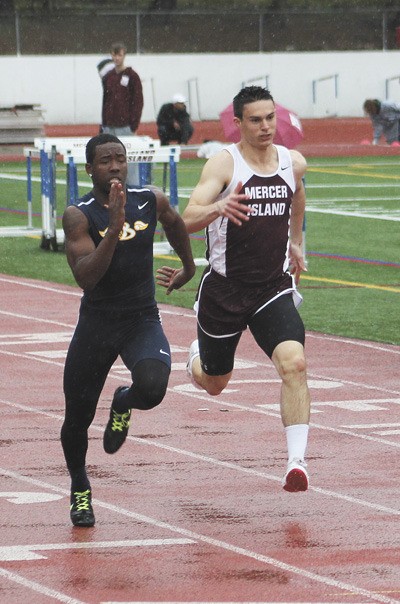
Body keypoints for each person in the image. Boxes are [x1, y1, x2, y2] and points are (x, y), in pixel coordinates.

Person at [61, 133, 196, 528]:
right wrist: (115, 227)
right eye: (105, 161)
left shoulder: (149, 199)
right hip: (98, 324)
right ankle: (80, 487)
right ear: (90, 169)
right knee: (77, 419)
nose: (115, 166)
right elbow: (86, 277)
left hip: (141, 318)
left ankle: (123, 400)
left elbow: (174, 222)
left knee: (153, 389)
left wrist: (188, 268)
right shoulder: (79, 215)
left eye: (120, 158)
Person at [182, 86, 311, 493]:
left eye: (270, 117)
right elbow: (185, 218)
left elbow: (298, 197)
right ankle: (195, 359)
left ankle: (296, 462)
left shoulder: (293, 163)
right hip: (224, 290)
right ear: (238, 123)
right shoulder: (225, 165)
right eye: (255, 119)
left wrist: (296, 241)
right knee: (216, 382)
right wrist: (217, 207)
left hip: (272, 287)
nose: (265, 126)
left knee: (294, 363)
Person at [101, 42, 144, 184]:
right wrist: (104, 122)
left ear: (124, 55)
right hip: (109, 126)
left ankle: (132, 190)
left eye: (119, 55)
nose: (117, 58)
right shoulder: (108, 77)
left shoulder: (132, 76)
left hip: (125, 126)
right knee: (108, 161)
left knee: (129, 161)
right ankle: (111, 189)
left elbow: (138, 101)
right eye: (114, 54)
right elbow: (105, 101)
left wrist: (133, 125)